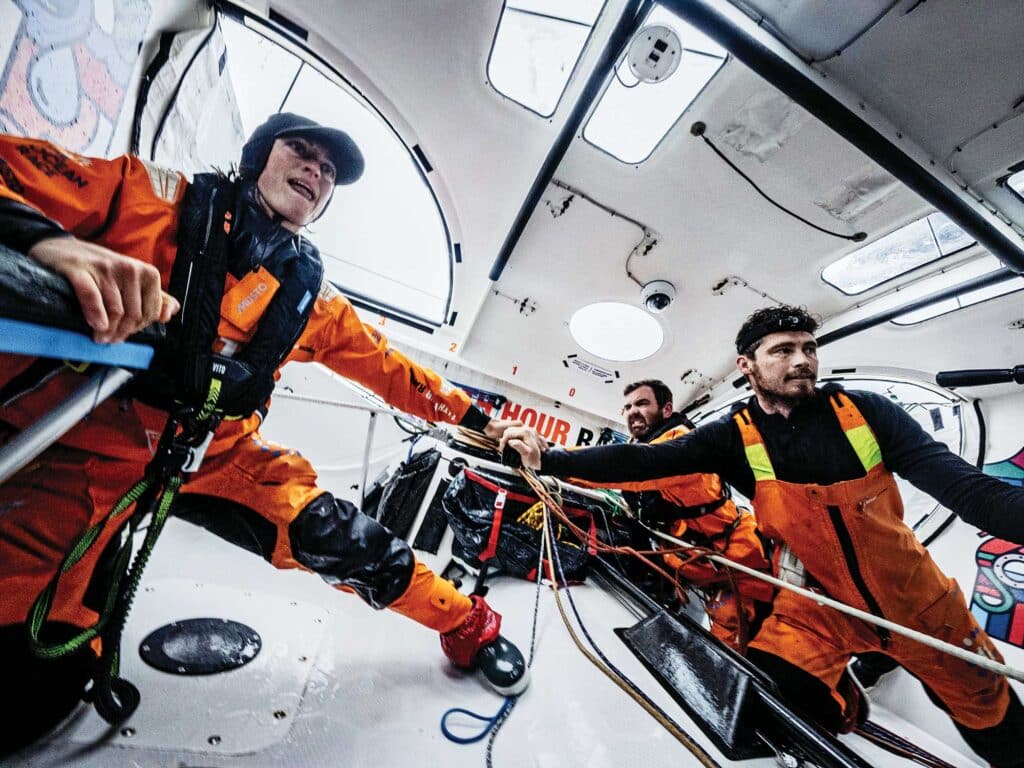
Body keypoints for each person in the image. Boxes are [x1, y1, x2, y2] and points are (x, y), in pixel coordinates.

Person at [0, 114, 526, 756]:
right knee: (29, 661)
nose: (315, 170)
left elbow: (394, 371)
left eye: (328, 172)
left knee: (340, 536)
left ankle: (469, 624)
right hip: (85, 446)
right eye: (301, 152)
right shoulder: (145, 199)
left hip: (211, 453)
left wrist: (482, 421)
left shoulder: (314, 301)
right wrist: (46, 243)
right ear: (256, 158)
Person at [502, 305, 1024, 768]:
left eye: (808, 348)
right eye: (783, 350)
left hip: (920, 606)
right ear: (746, 366)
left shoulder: (865, 415)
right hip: (821, 608)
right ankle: (845, 699)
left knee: (992, 722)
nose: (802, 360)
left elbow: (971, 491)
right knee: (774, 691)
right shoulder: (737, 435)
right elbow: (644, 460)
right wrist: (549, 459)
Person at [585, 379, 773, 648]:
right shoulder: (641, 448)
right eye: (627, 407)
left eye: (642, 403)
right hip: (693, 565)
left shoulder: (682, 447)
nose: (632, 411)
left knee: (736, 649)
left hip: (740, 566)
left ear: (666, 410)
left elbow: (625, 466)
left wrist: (547, 459)